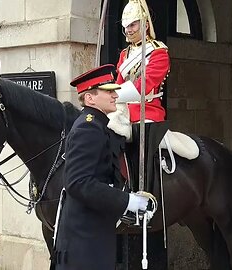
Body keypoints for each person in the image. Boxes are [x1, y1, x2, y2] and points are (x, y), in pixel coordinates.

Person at [53, 64, 150, 270]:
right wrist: (128, 201)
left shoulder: (96, 125)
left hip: (90, 238)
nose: (116, 95)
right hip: (84, 244)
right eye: (109, 91)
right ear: (90, 98)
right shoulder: (89, 128)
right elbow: (78, 183)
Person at [114, 0, 170, 192]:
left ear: (145, 24)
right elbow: (119, 83)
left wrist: (113, 95)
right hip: (124, 110)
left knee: (140, 147)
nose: (128, 30)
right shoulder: (125, 54)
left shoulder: (159, 53)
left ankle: (142, 195)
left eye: (132, 25)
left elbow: (143, 86)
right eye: (125, 26)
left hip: (148, 112)